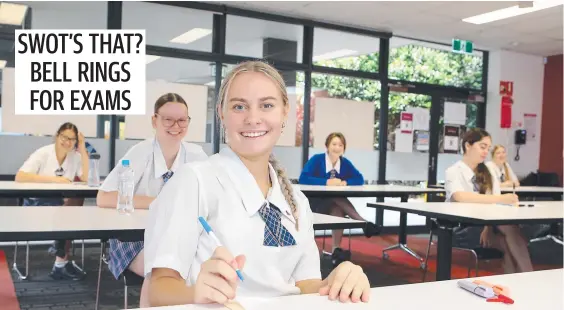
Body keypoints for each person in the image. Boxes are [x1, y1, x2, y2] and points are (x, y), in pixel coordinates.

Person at [144, 61, 371, 307]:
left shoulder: (297, 202)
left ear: (285, 112)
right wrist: (198, 293)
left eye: (267, 105)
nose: (253, 118)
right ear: (221, 113)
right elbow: (158, 290)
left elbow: (305, 286)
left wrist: (338, 281)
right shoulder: (194, 181)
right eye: (239, 106)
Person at [96, 93, 208, 307]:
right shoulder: (141, 152)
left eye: (182, 120)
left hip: (177, 236)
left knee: (197, 264)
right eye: (168, 119)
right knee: (159, 267)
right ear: (154, 120)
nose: (176, 126)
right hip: (133, 240)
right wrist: (161, 201)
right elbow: (104, 197)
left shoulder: (196, 155)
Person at [444, 128, 533, 274]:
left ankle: (520, 279)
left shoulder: (489, 172)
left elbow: (495, 207)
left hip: (488, 225)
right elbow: (460, 197)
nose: (486, 152)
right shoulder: (454, 171)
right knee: (511, 236)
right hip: (462, 226)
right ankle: (527, 277)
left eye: (488, 148)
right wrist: (501, 199)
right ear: (468, 145)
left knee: (510, 236)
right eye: (482, 147)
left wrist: (488, 227)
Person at [15, 122, 89, 280]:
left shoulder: (74, 157)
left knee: (74, 205)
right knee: (69, 212)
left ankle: (61, 259)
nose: (67, 142)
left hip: (60, 204)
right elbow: (20, 176)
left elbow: (85, 178)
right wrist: (54, 180)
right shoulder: (43, 153)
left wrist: (82, 148)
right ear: (57, 136)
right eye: (64, 137)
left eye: (72, 139)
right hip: (36, 202)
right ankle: (61, 261)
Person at [299, 132, 380, 263]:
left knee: (338, 207)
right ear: (327, 146)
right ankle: (362, 222)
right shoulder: (317, 159)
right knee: (336, 195)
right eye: (334, 144)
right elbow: (303, 178)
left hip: (332, 206)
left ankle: (336, 251)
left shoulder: (344, 163)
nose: (337, 147)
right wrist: (326, 182)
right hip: (314, 205)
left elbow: (359, 178)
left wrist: (345, 182)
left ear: (344, 148)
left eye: (340, 145)